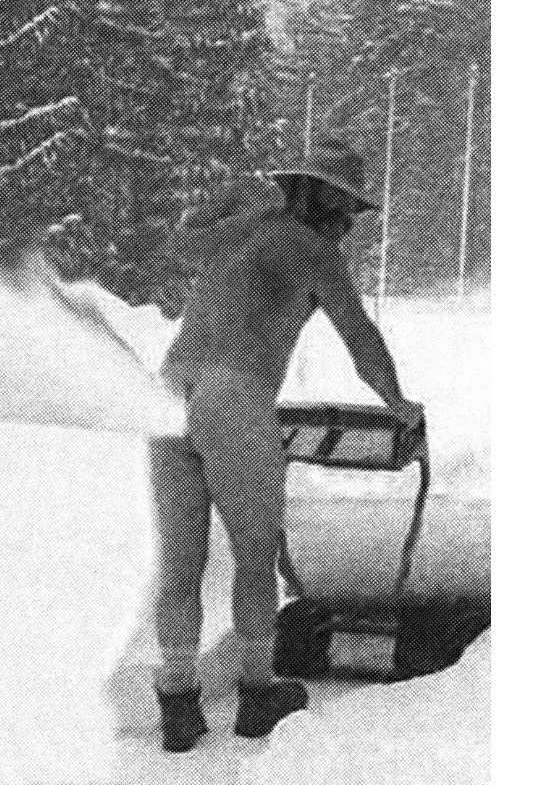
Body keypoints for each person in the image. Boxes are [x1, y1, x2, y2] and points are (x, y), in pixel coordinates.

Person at [150, 137, 423, 753]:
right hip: (233, 399)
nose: (349, 224)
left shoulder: (237, 231)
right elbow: (360, 338)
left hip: (168, 392)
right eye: (346, 210)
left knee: (181, 559)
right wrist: (397, 401)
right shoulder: (314, 251)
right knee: (255, 556)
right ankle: (257, 692)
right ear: (328, 201)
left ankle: (178, 701)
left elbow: (186, 268)